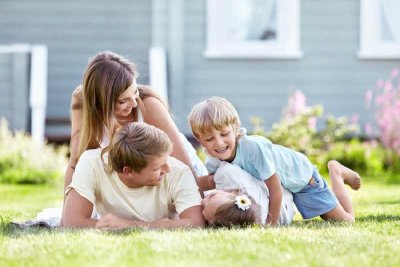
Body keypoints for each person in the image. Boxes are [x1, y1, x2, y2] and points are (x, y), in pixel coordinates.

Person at [189, 97, 362, 226]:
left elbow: (275, 188)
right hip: (284, 182)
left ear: (235, 129)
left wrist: (271, 223)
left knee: (344, 221)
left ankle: (336, 172)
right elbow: (208, 180)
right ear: (200, 140)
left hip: (301, 177)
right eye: (210, 138)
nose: (219, 143)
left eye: (224, 134)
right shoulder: (213, 155)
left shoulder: (252, 148)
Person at [65, 51, 207, 192]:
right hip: (136, 182)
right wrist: (68, 211)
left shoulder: (148, 105)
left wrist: (196, 196)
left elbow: (181, 161)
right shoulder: (81, 104)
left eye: (134, 91)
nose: (133, 103)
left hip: (177, 172)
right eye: (123, 101)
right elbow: (75, 164)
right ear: (101, 102)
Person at [62, 122, 205, 229]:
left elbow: (196, 223)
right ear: (128, 171)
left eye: (166, 159)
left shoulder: (178, 171)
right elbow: (71, 221)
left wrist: (131, 225)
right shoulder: (92, 162)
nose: (167, 168)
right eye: (157, 167)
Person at [203, 162, 295, 226]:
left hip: (284, 202)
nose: (203, 201)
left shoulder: (227, 173)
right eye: (211, 196)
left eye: (212, 196)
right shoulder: (230, 176)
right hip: (284, 205)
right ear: (234, 192)